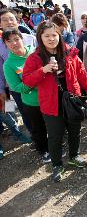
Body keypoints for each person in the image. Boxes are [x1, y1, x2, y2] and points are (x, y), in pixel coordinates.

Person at [22, 21, 87, 182]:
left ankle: (74, 156)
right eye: (46, 35)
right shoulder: (35, 58)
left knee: (75, 131)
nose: (51, 39)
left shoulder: (69, 52)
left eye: (54, 35)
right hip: (50, 104)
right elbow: (27, 80)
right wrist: (43, 70)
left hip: (73, 100)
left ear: (59, 36)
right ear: (40, 37)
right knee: (55, 136)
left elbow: (81, 73)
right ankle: (56, 164)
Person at [2, 28, 49, 163]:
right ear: (5, 44)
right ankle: (43, 150)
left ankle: (54, 145)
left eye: (16, 39)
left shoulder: (35, 53)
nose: (14, 43)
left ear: (22, 39)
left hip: (48, 97)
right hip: (31, 100)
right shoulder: (9, 64)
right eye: (9, 41)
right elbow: (16, 86)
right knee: (37, 126)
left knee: (51, 124)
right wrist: (34, 83)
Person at [0, 8, 37, 133]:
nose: (9, 22)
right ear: (0, 24)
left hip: (35, 81)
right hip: (11, 85)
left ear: (17, 20)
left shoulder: (30, 38)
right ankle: (18, 127)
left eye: (12, 19)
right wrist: (1, 89)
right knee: (21, 109)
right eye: (4, 20)